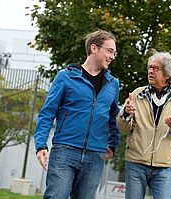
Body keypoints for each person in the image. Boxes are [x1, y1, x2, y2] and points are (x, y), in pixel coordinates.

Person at [34, 29, 120, 199]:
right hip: (64, 150)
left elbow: (113, 118)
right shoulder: (66, 77)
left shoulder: (113, 84)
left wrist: (112, 144)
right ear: (94, 48)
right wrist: (41, 145)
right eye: (110, 51)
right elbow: (47, 112)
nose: (112, 56)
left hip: (95, 155)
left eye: (114, 53)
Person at [116, 51, 171, 199]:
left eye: (155, 68)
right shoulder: (137, 94)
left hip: (164, 167)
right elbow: (122, 128)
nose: (150, 71)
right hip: (136, 162)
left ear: (167, 74)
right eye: (149, 67)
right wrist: (126, 114)